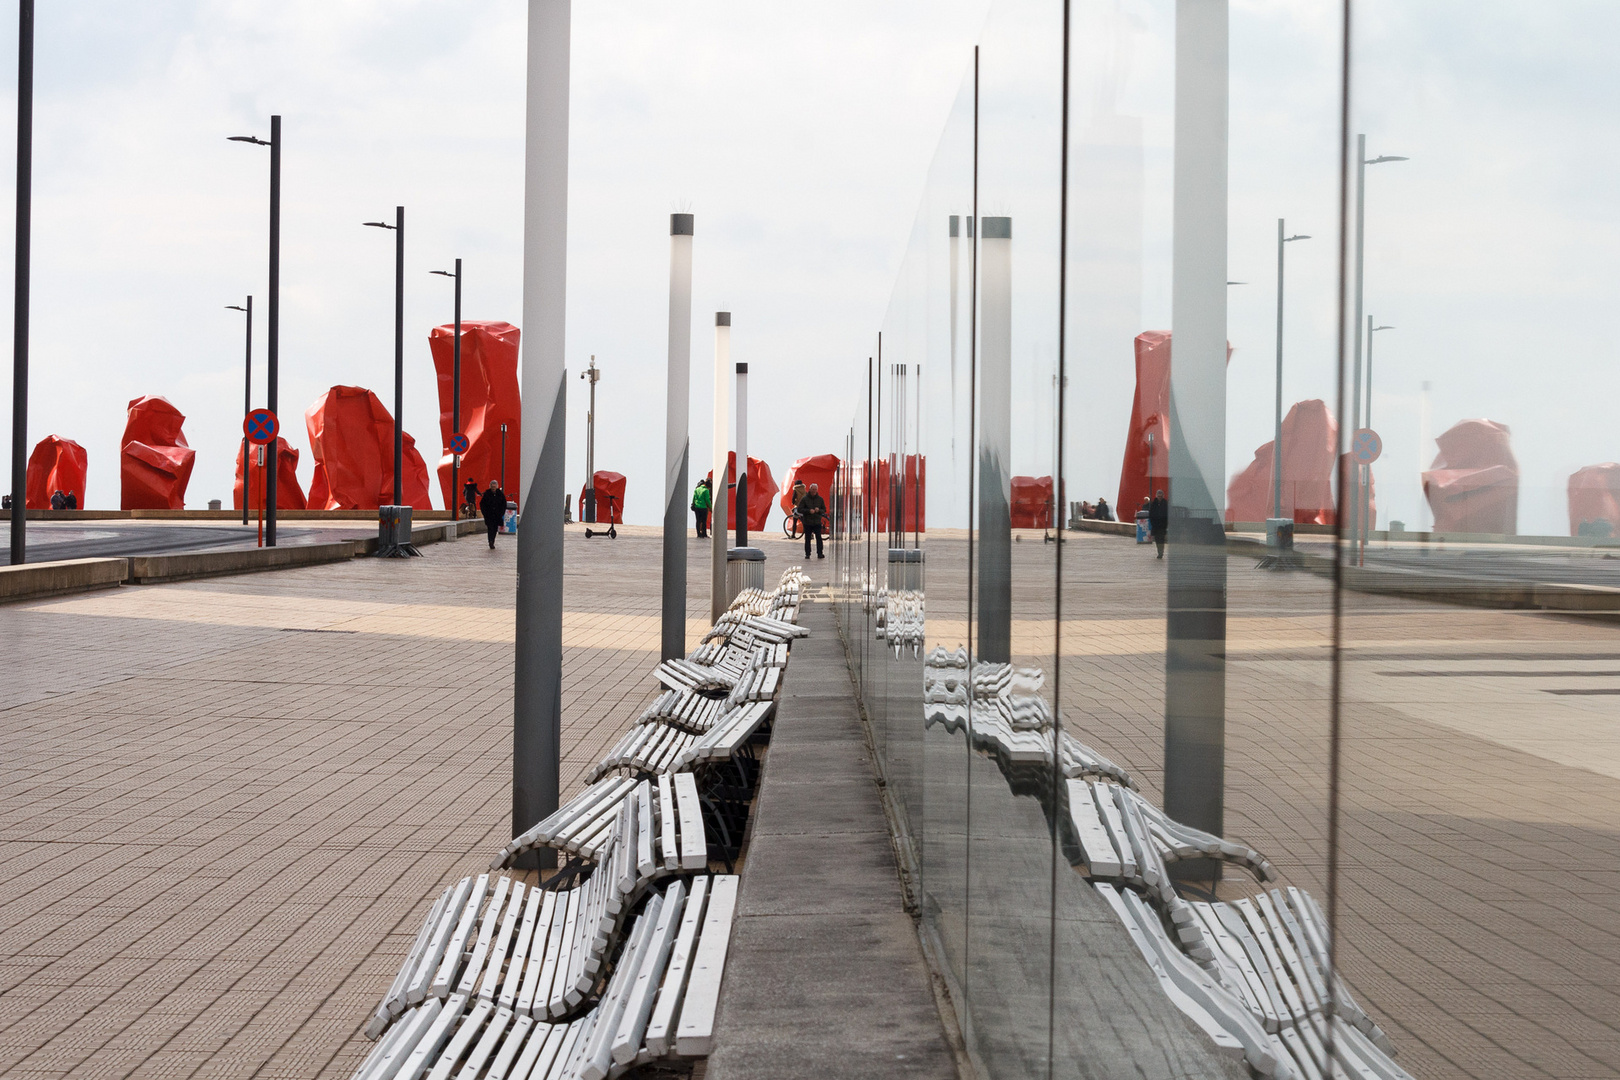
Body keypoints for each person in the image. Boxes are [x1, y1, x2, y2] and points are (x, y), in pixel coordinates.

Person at [797, 483, 828, 559]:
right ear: (810, 489)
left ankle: (820, 553)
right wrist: (808, 511)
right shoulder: (804, 499)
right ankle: (807, 553)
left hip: (817, 522)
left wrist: (819, 510)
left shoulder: (820, 499)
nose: (814, 491)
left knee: (819, 538)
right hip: (807, 522)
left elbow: (824, 510)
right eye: (813, 489)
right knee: (807, 538)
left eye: (815, 489)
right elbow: (799, 509)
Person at [479, 482, 506, 549]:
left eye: (494, 486)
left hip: (497, 515)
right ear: (490, 487)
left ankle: (492, 540)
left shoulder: (500, 494)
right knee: (490, 528)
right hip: (489, 515)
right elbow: (482, 504)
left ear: (497, 487)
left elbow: (504, 504)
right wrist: (485, 513)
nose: (493, 488)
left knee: (495, 529)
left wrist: (501, 513)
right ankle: (490, 541)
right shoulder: (487, 494)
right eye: (492, 486)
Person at [1148, 489, 1169, 558]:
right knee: (1157, 540)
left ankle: (1161, 553)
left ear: (1163, 496)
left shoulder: (1166, 504)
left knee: (1161, 540)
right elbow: (1151, 514)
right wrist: (1153, 523)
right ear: (1156, 496)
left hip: (1163, 526)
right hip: (1156, 526)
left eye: (1161, 496)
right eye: (1158, 496)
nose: (1160, 497)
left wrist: (1166, 524)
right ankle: (1159, 551)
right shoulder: (1153, 504)